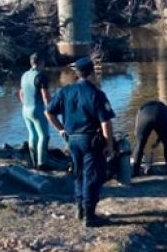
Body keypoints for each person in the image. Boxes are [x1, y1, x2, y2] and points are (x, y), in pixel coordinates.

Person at [44, 57, 116, 228]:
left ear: (77, 74)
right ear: (92, 72)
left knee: (78, 173)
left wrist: (61, 129)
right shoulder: (96, 94)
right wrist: (109, 144)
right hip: (91, 140)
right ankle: (90, 216)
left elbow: (49, 112)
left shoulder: (65, 91)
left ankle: (80, 209)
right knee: (92, 176)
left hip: (72, 139)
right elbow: (105, 122)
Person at [17, 53, 51, 169]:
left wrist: (25, 104)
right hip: (37, 109)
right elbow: (45, 96)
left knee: (32, 134)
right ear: (41, 62)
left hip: (25, 109)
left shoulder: (24, 75)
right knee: (44, 136)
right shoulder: (41, 76)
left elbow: (21, 93)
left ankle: (33, 161)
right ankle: (42, 163)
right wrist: (50, 109)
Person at [131, 100, 167, 177]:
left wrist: (140, 140)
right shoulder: (166, 109)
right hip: (160, 116)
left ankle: (136, 172)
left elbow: (136, 131)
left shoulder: (141, 109)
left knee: (139, 145)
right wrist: (159, 140)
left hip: (144, 117)